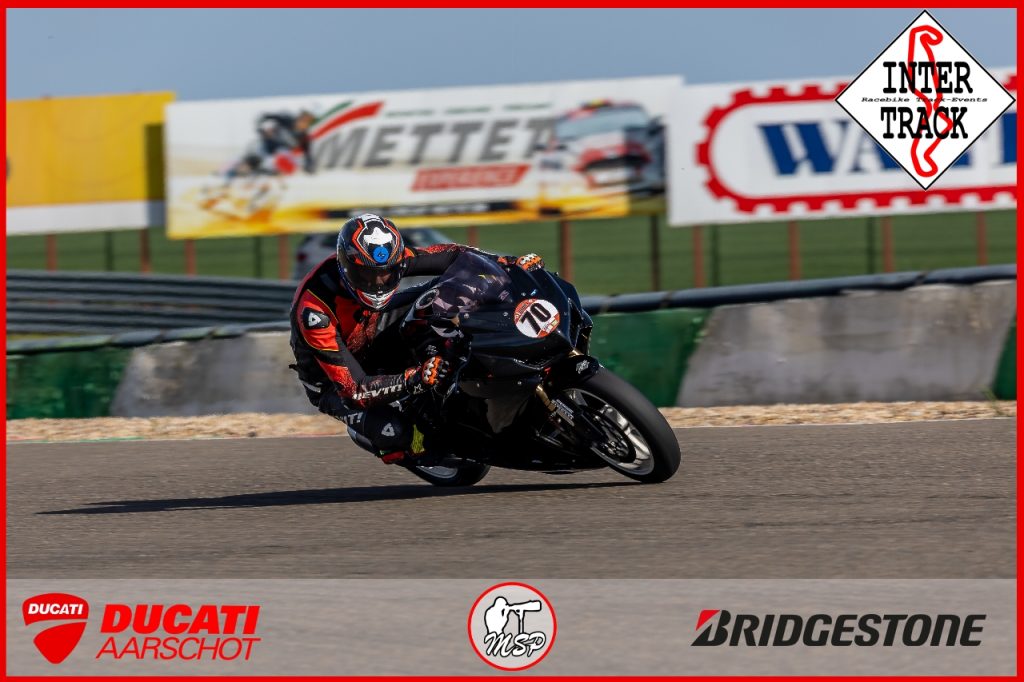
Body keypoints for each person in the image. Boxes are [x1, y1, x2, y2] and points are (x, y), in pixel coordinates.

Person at [289, 213, 543, 464]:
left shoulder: (393, 258)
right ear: (347, 266)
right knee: (402, 437)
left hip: (371, 329)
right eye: (367, 275)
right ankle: (403, 443)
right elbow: (354, 389)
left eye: (387, 273)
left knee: (441, 295)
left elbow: (454, 255)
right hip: (334, 382)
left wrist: (508, 263)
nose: (378, 283)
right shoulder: (315, 311)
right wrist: (414, 378)